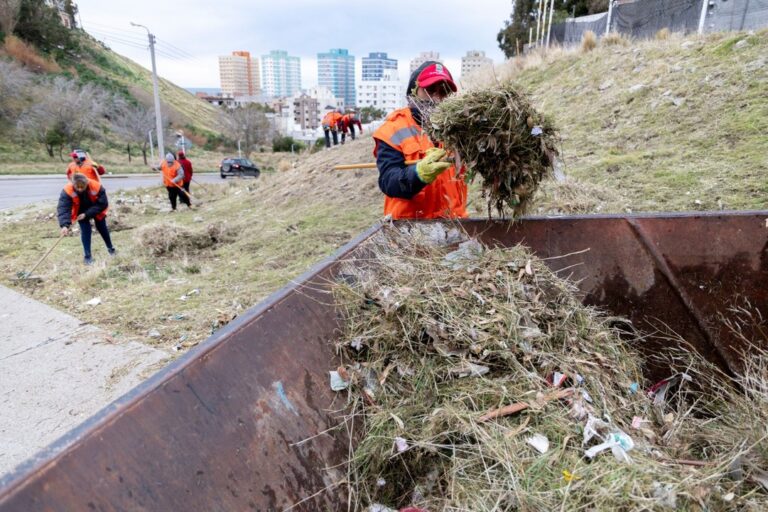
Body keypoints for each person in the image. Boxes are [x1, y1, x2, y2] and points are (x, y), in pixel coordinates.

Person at [372, 61, 467, 220]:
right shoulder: (393, 130)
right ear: (413, 94)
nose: (436, 98)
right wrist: (418, 174)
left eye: (443, 91)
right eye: (430, 90)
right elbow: (388, 181)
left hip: (455, 226)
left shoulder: (460, 130)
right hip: (410, 230)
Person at [57, 172, 115, 265]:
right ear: (73, 184)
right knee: (85, 230)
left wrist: (87, 214)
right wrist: (64, 225)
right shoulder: (67, 190)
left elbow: (103, 203)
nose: (80, 189)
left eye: (82, 187)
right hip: (80, 210)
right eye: (77, 187)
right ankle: (87, 257)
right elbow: (63, 208)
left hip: (96, 207)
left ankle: (111, 249)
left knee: (102, 227)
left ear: (87, 183)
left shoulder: (96, 186)